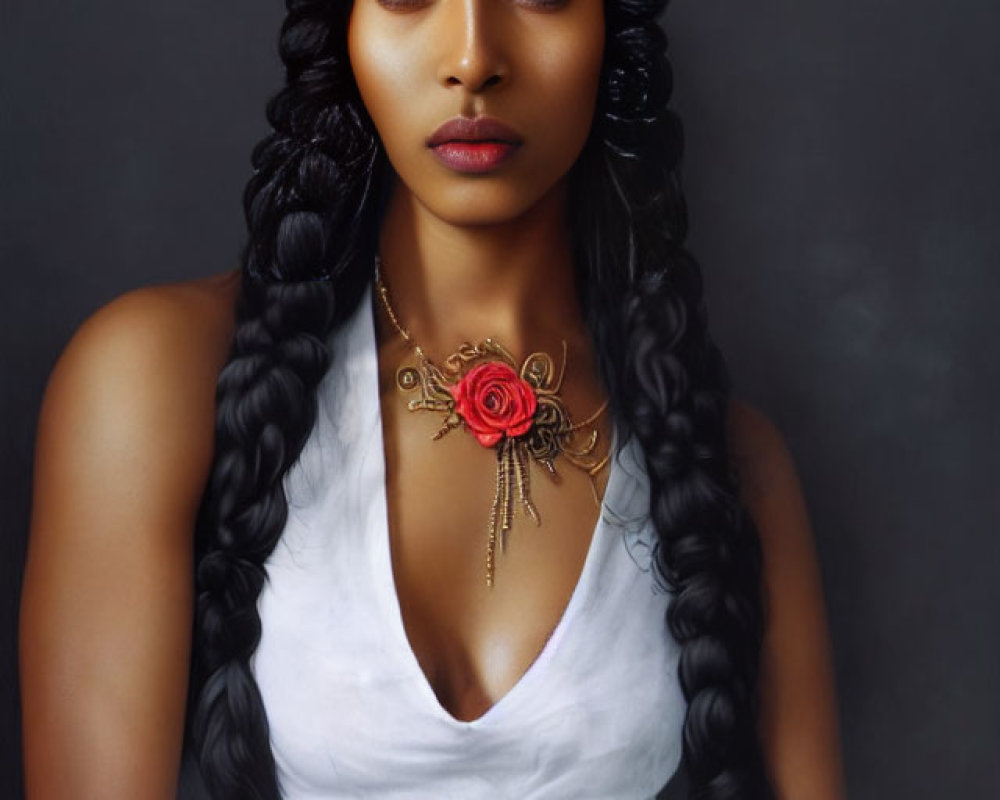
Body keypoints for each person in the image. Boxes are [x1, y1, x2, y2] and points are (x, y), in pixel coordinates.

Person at [19, 0, 844, 797]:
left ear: (613, 35)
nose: (473, 59)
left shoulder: (729, 465)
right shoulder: (152, 380)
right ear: (342, 30)